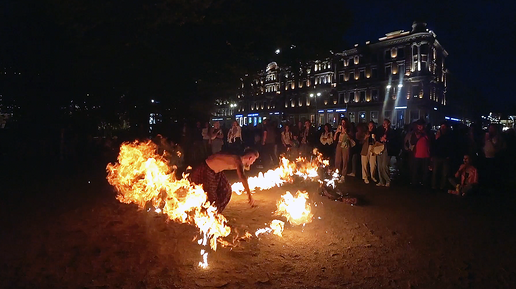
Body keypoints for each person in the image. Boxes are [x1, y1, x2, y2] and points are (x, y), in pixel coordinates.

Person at [189, 148, 259, 212]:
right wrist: (249, 195)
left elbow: (246, 167)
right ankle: (210, 213)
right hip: (206, 170)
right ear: (250, 158)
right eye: (254, 160)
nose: (253, 162)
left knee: (226, 190)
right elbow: (242, 177)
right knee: (212, 198)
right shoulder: (237, 160)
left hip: (217, 172)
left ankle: (216, 212)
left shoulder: (238, 159)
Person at [431, 121, 454, 190]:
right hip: (437, 156)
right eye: (442, 127)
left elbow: (450, 146)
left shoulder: (449, 136)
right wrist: (436, 139)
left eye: (444, 127)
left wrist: (449, 155)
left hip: (445, 157)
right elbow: (433, 145)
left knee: (444, 173)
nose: (443, 128)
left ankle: (442, 187)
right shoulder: (437, 135)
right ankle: (434, 186)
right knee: (435, 172)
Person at [410, 119, 431, 186]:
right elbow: (412, 142)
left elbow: (431, 142)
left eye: (421, 125)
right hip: (417, 155)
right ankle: (415, 183)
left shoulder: (427, 133)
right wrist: (416, 138)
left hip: (426, 155)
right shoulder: (414, 133)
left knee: (425, 171)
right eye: (418, 125)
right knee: (416, 170)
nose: (419, 127)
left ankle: (424, 183)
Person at [376, 119, 395, 187]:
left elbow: (394, 140)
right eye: (383, 123)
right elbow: (377, 137)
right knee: (379, 165)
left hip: (386, 149)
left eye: (385, 123)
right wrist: (380, 139)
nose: (384, 124)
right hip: (379, 149)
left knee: (384, 165)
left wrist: (386, 140)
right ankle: (381, 181)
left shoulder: (391, 131)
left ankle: (387, 180)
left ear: (389, 123)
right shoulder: (380, 130)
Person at [334, 118, 353, 182]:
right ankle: (337, 173)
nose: (343, 124)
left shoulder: (348, 130)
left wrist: (346, 132)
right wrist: (336, 132)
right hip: (339, 144)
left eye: (344, 122)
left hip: (345, 145)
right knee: (337, 159)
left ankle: (343, 175)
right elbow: (334, 139)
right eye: (342, 122)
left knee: (345, 160)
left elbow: (350, 138)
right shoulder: (339, 129)